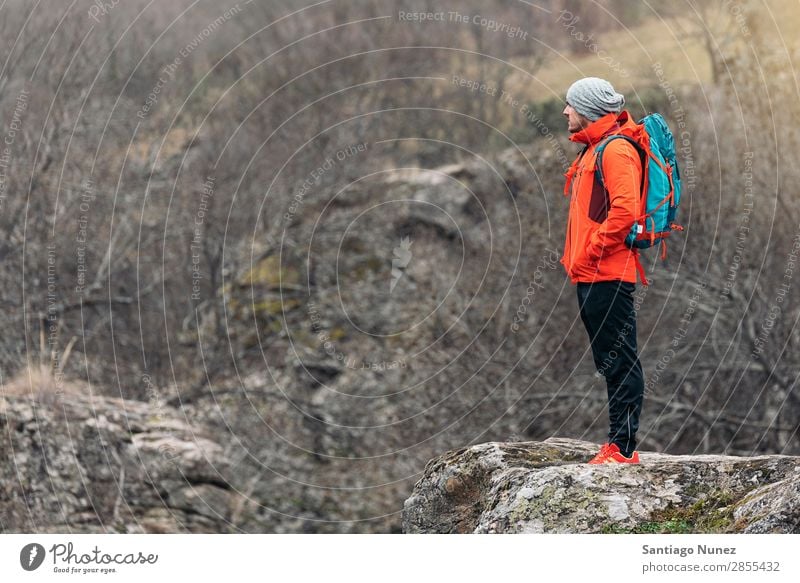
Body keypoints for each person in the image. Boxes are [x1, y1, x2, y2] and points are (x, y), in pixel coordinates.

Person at [560, 77, 645, 464]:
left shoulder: (615, 150)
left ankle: (622, 448)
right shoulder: (593, 150)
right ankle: (616, 443)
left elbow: (625, 212)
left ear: (589, 110)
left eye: (571, 105)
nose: (564, 112)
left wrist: (592, 250)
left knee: (619, 359)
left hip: (607, 273)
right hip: (592, 274)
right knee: (609, 359)